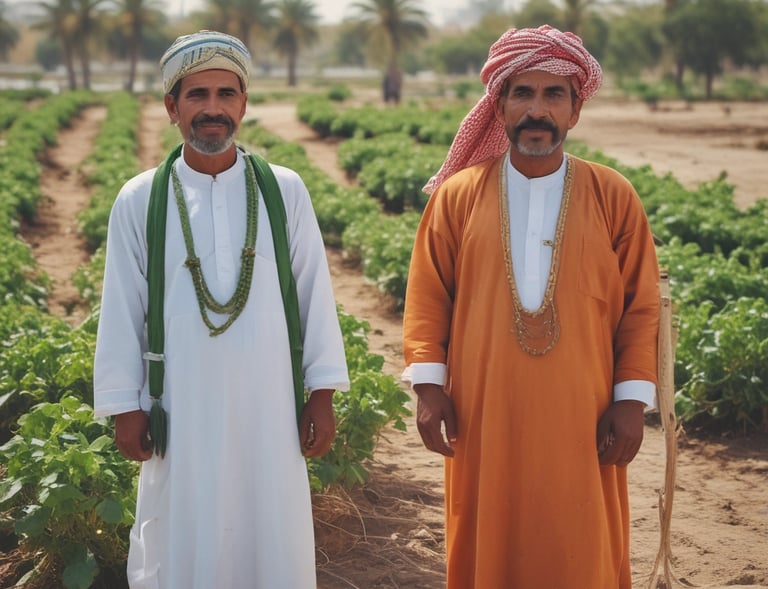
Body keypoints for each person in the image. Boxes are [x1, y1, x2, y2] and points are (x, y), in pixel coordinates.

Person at [402, 25, 659, 588]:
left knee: (580, 539)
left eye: (554, 95)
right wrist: (428, 387)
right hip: (483, 410)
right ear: (499, 106)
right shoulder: (459, 194)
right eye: (523, 93)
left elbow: (642, 308)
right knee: (486, 532)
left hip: (585, 411)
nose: (537, 110)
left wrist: (633, 399)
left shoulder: (612, 195)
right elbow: (427, 296)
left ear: (575, 110)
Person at [93, 30, 349, 589]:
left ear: (244, 104)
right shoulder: (140, 198)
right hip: (177, 405)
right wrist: (123, 407)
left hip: (269, 405)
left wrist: (322, 394)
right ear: (171, 107)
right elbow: (122, 307)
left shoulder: (285, 190)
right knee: (183, 533)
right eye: (197, 95)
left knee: (269, 533)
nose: (213, 109)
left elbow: (314, 294)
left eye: (226, 94)